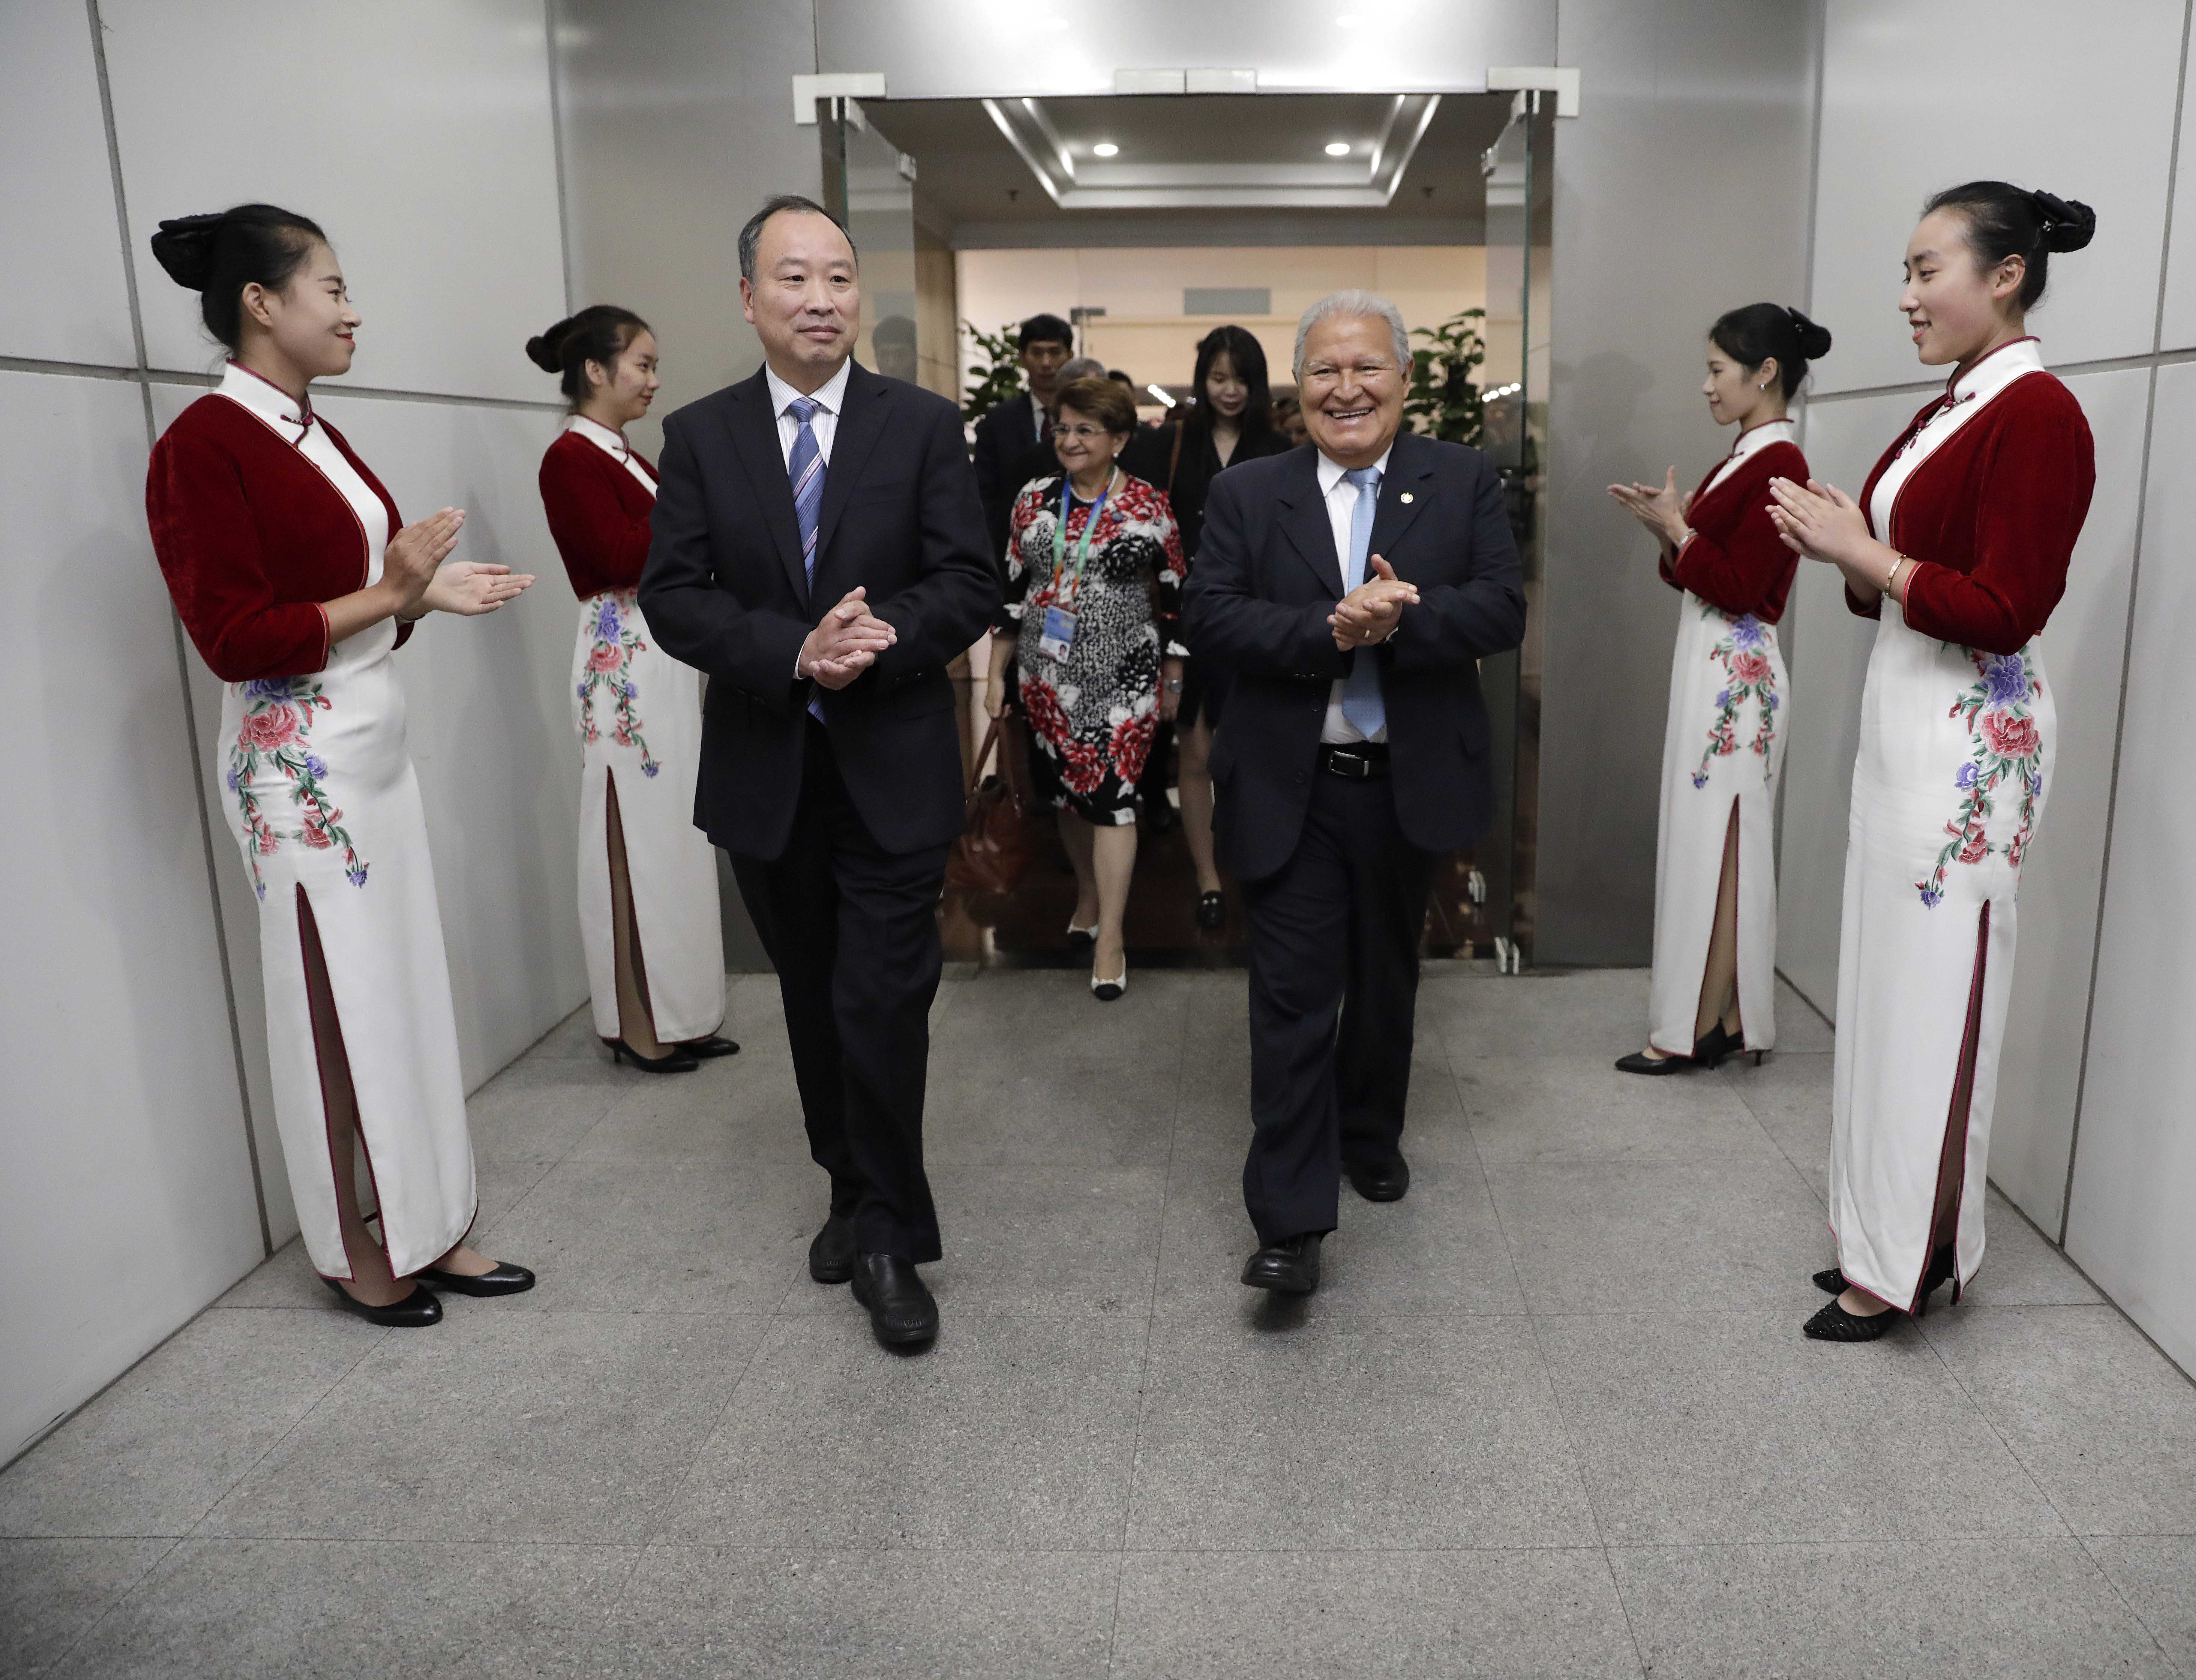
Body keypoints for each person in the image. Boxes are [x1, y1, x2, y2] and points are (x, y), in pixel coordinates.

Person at [143, 205, 538, 1327]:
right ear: (261, 304)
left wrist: (423, 596)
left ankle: (429, 1222)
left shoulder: (311, 429)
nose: (352, 310)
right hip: (298, 778)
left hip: (371, 749)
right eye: (332, 287)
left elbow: (358, 602)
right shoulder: (202, 446)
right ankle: (350, 1246)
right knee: (328, 1006)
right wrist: (396, 591)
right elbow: (234, 638)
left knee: (399, 990)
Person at [638, 194, 997, 1349]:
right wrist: (794, 650)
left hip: (892, 760)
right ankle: (847, 1183)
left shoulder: (922, 426)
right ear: (749, 298)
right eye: (794, 278)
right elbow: (674, 596)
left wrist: (879, 637)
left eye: (839, 277)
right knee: (811, 995)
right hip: (769, 770)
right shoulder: (700, 437)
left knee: (882, 997)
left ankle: (889, 1233)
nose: (821, 299)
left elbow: (968, 579)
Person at [1768, 183, 2097, 1341]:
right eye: (1904, 274)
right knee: (1887, 987)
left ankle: (1909, 1257)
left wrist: (1861, 552)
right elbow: (1905, 571)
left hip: (1967, 742)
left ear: (2005, 276)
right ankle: (1881, 1233)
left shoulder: (2038, 412)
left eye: (1925, 271)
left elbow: (2006, 607)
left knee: (1935, 995)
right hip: (1910, 720)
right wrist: (1849, 546)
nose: (1905, 296)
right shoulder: (1957, 403)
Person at [1183, 291, 1526, 1295]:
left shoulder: (1459, 479)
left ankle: (1370, 1132)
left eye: (1367, 367)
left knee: (1384, 977)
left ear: (1404, 380)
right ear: (1297, 389)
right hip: (1292, 782)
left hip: (1407, 778)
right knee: (1291, 996)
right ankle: (1289, 1222)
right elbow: (1211, 616)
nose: (1346, 389)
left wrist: (1401, 619)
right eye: (1324, 371)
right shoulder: (1249, 492)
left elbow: (1500, 607)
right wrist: (1331, 629)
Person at [1608, 304, 1831, 1076]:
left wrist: (1679, 530)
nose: (1706, 386)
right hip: (1717, 667)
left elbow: (1741, 587)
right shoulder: (1749, 456)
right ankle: (1727, 1017)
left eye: (1716, 369)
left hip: (1736, 677)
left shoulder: (1779, 463)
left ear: (1764, 373)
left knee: (1722, 840)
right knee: (1717, 838)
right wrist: (1667, 528)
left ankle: (1702, 1023)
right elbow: (1707, 573)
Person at [532, 306, 735, 1076]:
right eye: (642, 365)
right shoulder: (570, 459)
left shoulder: (626, 457)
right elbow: (618, 555)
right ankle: (639, 1020)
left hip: (662, 649)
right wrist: (695, 506)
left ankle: (684, 1013)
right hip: (622, 656)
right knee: (633, 836)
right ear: (596, 371)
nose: (653, 381)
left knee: (676, 835)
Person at [986, 376, 1187, 999]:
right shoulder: (1034, 499)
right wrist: (994, 676)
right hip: (1046, 677)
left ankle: (1111, 940)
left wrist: (1174, 676)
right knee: (1068, 798)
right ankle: (1089, 895)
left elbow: (1178, 598)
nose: (1069, 440)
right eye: (1063, 428)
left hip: (1125, 679)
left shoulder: (1149, 505)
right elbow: (1013, 590)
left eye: (1085, 430)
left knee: (1113, 799)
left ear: (1119, 439)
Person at [1140, 326, 1293, 927]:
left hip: (1258, 618)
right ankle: (1207, 878)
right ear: (1203, 379)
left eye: (1242, 380)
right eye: (1218, 378)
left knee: (1257, 753)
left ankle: (1256, 867)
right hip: (1189, 619)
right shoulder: (1173, 442)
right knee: (1197, 753)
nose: (1230, 390)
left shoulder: (1279, 448)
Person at [972, 313, 1073, 567]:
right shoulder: (997, 423)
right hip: (1011, 551)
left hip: (1077, 546)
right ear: (1022, 357)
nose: (1046, 363)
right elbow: (984, 495)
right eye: (1037, 353)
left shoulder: (1087, 423)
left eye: (1055, 353)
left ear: (1070, 356)